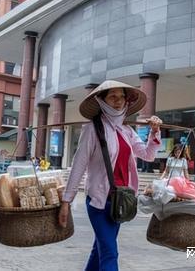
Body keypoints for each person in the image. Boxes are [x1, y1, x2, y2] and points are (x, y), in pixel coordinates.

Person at [59, 80, 162, 270]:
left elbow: (148, 154)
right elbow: (78, 166)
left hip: (120, 202)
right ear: (102, 101)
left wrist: (154, 133)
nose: (118, 101)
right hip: (98, 202)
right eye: (113, 96)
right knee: (110, 252)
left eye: (122, 97)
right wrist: (67, 201)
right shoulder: (92, 129)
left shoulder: (127, 131)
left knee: (100, 250)